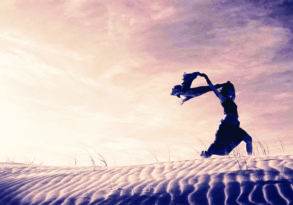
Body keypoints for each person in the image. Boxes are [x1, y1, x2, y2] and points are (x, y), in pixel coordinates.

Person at [172, 72, 253, 157]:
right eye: (229, 90)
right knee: (219, 148)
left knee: (248, 139)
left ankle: (250, 158)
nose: (231, 91)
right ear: (225, 91)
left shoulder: (232, 100)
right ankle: (206, 154)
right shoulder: (223, 98)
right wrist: (206, 77)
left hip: (235, 126)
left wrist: (230, 85)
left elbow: (234, 93)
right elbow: (212, 88)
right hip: (227, 125)